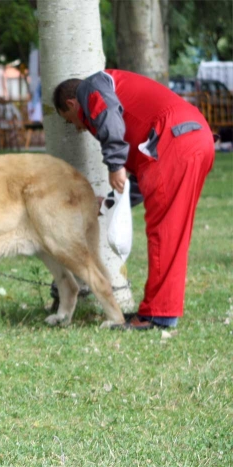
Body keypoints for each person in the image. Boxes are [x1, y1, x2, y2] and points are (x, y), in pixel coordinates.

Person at [53, 69, 215, 330]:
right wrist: (108, 204)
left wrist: (115, 164)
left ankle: (158, 316)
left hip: (172, 139)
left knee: (163, 233)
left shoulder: (90, 87)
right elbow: (138, 185)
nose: (78, 127)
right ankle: (157, 313)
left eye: (70, 120)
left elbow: (107, 114)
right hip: (196, 138)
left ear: (71, 104)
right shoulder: (118, 94)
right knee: (172, 234)